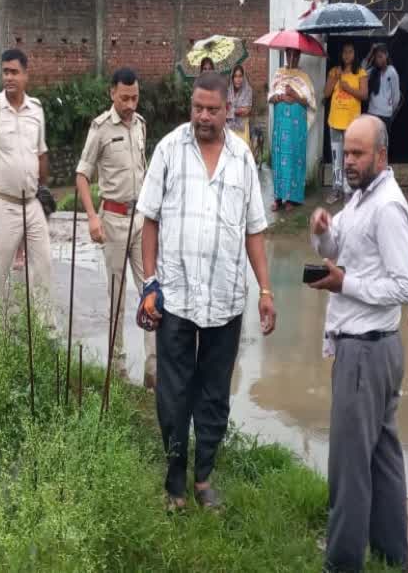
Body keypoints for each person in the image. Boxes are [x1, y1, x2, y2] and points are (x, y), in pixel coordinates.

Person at [136, 71, 276, 512]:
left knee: (215, 393)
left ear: (228, 110)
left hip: (226, 298)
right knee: (173, 393)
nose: (203, 116)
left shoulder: (241, 158)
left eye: (213, 109)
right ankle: (174, 482)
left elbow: (255, 230)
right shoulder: (168, 150)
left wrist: (266, 289)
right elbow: (150, 219)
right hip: (175, 296)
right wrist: (149, 283)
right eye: (198, 107)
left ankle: (203, 479)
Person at [308, 114, 408, 572]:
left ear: (381, 156)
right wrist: (323, 233)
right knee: (383, 460)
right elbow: (336, 254)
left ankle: (342, 561)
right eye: (346, 152)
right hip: (374, 350)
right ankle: (394, 556)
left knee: (350, 466)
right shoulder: (360, 200)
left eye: (358, 153)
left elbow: (406, 286)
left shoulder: (387, 207)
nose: (348, 160)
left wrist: (345, 285)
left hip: (366, 351)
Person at [76, 68, 157, 388]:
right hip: (112, 220)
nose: (130, 104)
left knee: (151, 289)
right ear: (112, 94)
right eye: (124, 98)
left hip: (140, 219)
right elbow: (82, 175)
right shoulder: (100, 128)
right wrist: (92, 217)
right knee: (118, 296)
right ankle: (117, 363)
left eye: (135, 97)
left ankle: (153, 364)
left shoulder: (140, 126)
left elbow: (144, 170)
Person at [0, 49, 53, 318]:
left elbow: (41, 152)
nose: (9, 77)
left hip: (32, 203)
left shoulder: (36, 110)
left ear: (26, 75)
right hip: (3, 203)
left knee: (44, 266)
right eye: (5, 72)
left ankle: (46, 330)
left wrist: (42, 183)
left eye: (14, 72)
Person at [269, 48, 316, 212]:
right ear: (285, 55)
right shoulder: (279, 73)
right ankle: (277, 197)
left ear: (299, 56)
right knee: (279, 157)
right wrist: (278, 97)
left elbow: (308, 102)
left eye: (295, 54)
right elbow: (271, 96)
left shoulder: (304, 77)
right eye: (289, 54)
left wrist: (294, 95)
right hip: (280, 125)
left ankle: (291, 198)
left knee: (294, 157)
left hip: (296, 127)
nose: (292, 57)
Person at [324, 42, 368, 203]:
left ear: (355, 54)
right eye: (344, 52)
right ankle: (336, 190)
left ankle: (349, 190)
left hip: (352, 125)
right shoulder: (335, 71)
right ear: (341, 54)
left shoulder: (361, 73)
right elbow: (326, 93)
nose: (347, 55)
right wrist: (333, 79)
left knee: (351, 159)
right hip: (335, 122)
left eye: (350, 52)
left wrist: (348, 88)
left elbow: (364, 95)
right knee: (336, 158)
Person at [365, 44, 400, 136]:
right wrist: (369, 54)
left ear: (386, 55)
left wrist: (390, 110)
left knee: (382, 143)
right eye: (376, 57)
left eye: (381, 56)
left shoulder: (392, 72)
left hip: (385, 115)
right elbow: (360, 73)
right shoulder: (372, 71)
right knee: (371, 142)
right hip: (372, 113)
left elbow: (396, 96)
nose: (378, 60)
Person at [226, 64, 254, 148]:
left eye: (240, 76)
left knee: (241, 155)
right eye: (235, 76)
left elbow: (246, 111)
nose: (238, 80)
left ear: (243, 77)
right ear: (232, 78)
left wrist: (231, 110)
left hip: (242, 129)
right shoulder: (228, 91)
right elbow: (224, 110)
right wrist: (236, 110)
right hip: (229, 129)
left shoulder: (248, 90)